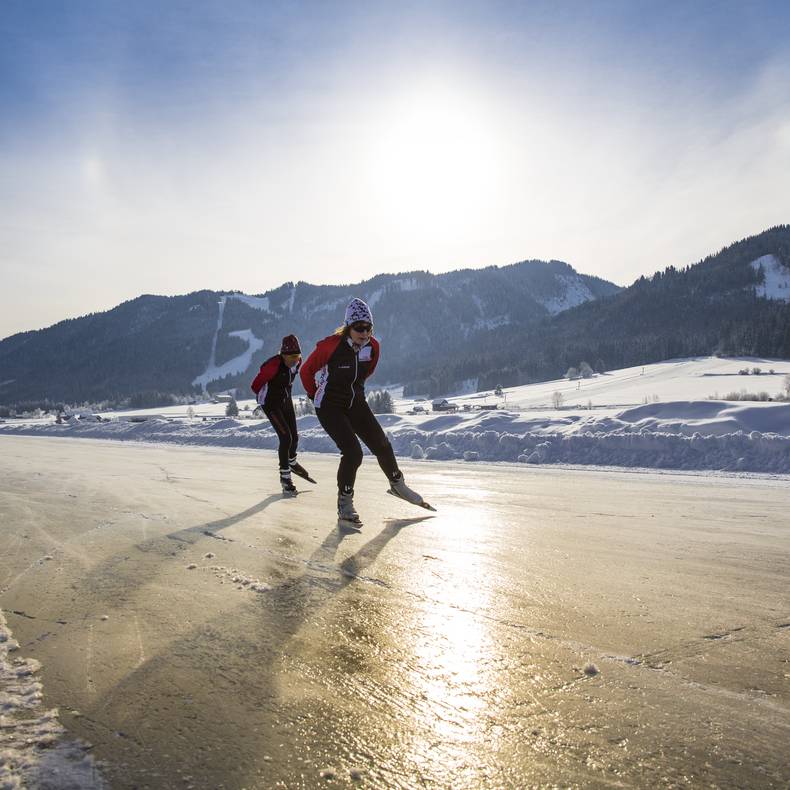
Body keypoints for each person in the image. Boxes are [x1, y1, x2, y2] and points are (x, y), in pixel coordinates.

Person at [300, 297, 425, 524]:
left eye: (369, 328)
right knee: (353, 452)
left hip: (354, 401)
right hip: (329, 406)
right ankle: (345, 503)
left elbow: (366, 372)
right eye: (359, 328)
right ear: (348, 327)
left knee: (382, 444)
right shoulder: (330, 346)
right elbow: (306, 371)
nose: (365, 333)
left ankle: (398, 485)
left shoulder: (373, 347)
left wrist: (355, 391)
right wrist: (313, 393)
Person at [251, 334, 312, 494]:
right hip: (271, 403)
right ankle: (285, 477)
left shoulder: (298, 362)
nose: (295, 359)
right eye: (291, 356)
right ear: (283, 355)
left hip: (285, 401)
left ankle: (291, 461)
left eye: (298, 356)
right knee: (286, 438)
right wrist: (264, 396)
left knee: (295, 437)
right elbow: (254, 385)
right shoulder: (272, 366)